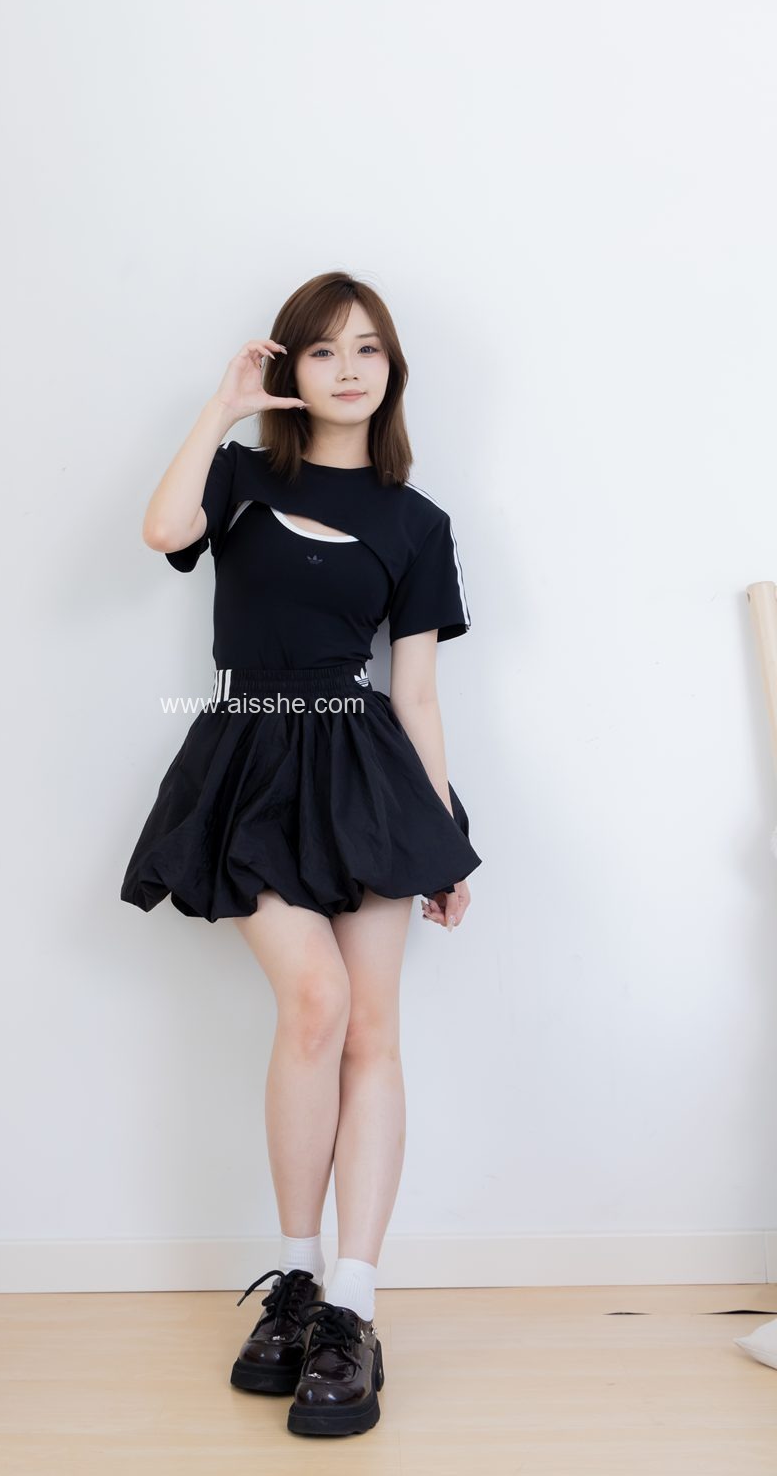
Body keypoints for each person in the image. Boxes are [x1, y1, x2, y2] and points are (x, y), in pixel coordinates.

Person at [120, 270, 481, 1438]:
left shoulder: (416, 523)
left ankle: (352, 1308)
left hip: (365, 776)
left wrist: (445, 836)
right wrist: (221, 406)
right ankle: (294, 1279)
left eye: (368, 347)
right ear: (291, 368)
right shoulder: (238, 477)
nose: (348, 367)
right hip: (251, 762)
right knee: (312, 999)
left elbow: (414, 693)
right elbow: (161, 530)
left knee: (371, 1029)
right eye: (323, 349)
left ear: (391, 368)